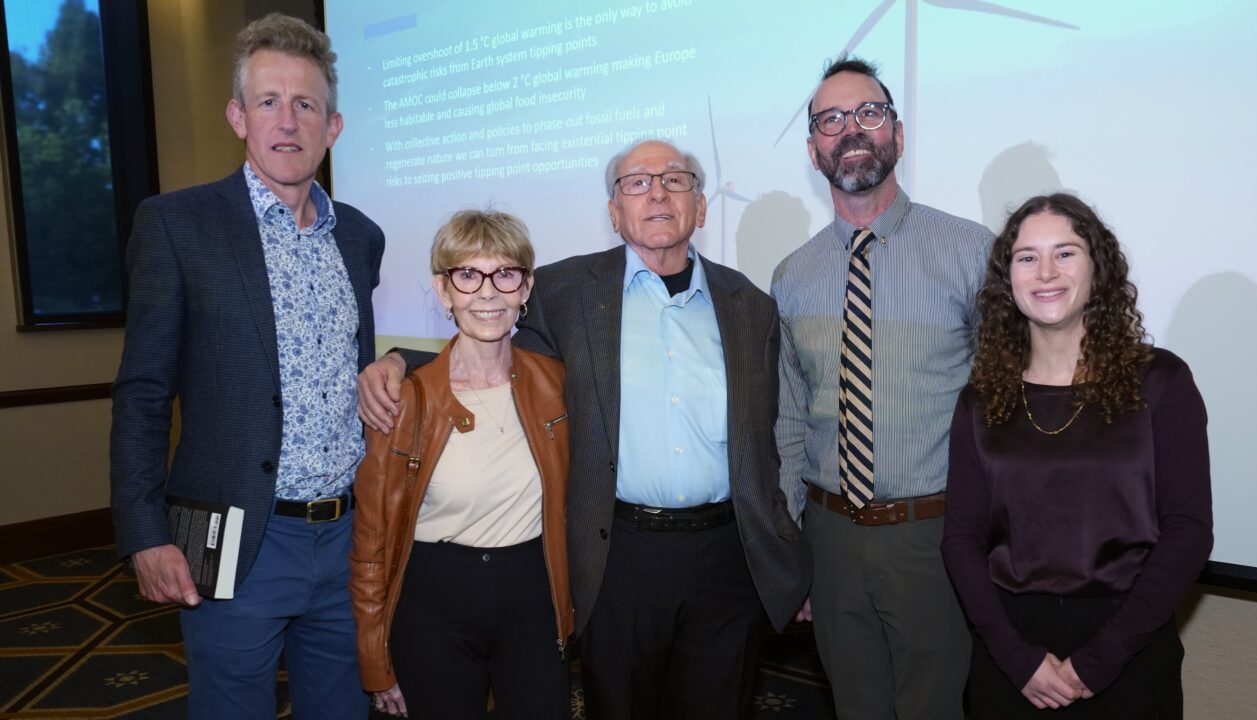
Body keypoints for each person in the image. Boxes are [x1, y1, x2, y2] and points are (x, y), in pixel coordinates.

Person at [359, 139, 810, 720]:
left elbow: (776, 434)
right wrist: (399, 361)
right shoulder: (565, 292)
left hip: (728, 556)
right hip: (617, 554)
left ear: (700, 206)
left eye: (675, 180)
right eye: (636, 183)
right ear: (613, 211)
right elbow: (487, 339)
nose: (656, 193)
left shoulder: (749, 306)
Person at [109, 14, 382, 719]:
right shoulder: (176, 226)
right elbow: (142, 393)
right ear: (237, 116)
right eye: (268, 101)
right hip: (231, 538)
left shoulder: (358, 236)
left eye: (305, 104)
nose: (286, 121)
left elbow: (359, 365)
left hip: (349, 537)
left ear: (334, 126)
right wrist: (144, 533)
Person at [771, 55, 991, 719]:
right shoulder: (792, 275)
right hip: (830, 540)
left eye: (868, 113)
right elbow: (787, 422)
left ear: (897, 132)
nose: (852, 130)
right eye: (832, 121)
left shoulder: (972, 252)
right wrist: (790, 553)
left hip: (934, 538)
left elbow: (1004, 412)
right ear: (814, 151)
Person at [941, 193, 1213, 718]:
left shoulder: (1161, 382)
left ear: (1097, 268)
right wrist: (1017, 659)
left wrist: (1099, 659)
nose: (1046, 272)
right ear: (1008, 279)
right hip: (1008, 654)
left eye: (1065, 253)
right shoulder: (980, 398)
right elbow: (961, 538)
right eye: (1027, 257)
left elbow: (1189, 530)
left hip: (1130, 648)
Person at [348, 210, 572, 718]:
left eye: (505, 274)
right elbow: (371, 542)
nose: (488, 293)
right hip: (433, 603)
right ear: (444, 291)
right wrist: (375, 660)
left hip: (533, 594)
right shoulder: (401, 402)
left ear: (525, 287)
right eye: (468, 275)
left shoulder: (556, 383)